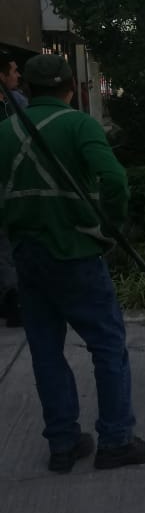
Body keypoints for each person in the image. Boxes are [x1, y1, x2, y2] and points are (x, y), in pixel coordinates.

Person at [0, 53, 145, 473]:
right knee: (107, 345)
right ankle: (115, 440)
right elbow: (113, 179)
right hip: (75, 254)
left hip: (28, 256)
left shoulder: (3, 131)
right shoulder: (79, 125)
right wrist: (109, 228)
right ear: (71, 88)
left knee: (45, 351)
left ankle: (63, 443)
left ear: (27, 89)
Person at [0, 51, 26, 327]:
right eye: (14, 70)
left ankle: (13, 300)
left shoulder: (15, 103)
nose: (18, 75)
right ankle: (13, 300)